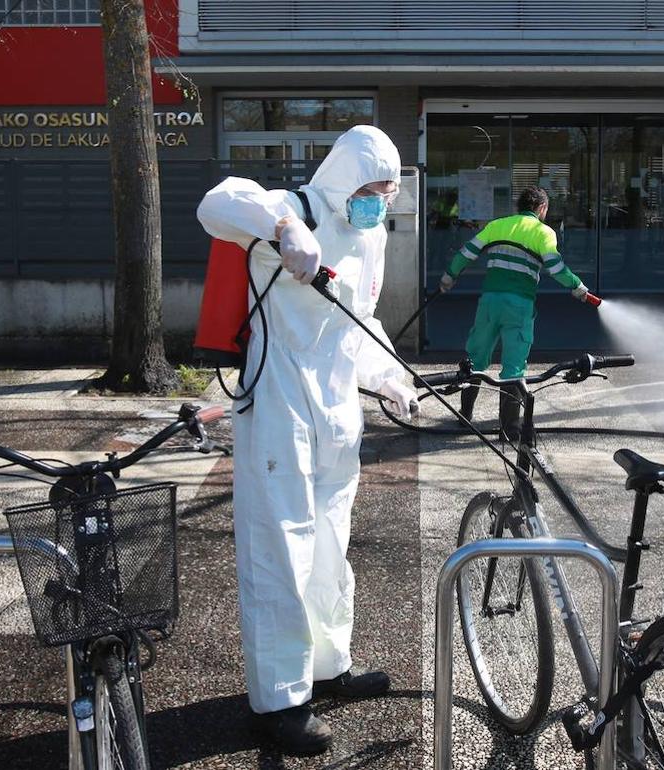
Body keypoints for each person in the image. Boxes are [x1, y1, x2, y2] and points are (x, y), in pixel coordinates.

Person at [196, 125, 418, 756]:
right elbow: (217, 201)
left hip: (337, 412)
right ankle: (279, 700)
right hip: (278, 407)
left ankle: (329, 666)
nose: (379, 199)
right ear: (345, 178)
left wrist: (393, 379)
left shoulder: (370, 236)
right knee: (280, 550)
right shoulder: (293, 209)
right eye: (372, 187)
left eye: (388, 191)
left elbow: (361, 322)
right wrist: (283, 229)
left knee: (329, 544)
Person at [438, 185, 590, 439]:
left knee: (475, 358)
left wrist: (448, 277)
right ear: (542, 208)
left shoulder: (498, 225)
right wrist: (577, 287)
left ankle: (465, 417)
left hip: (489, 302)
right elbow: (555, 266)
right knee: (513, 367)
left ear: (519, 207)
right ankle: (509, 430)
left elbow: (467, 252)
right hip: (519, 306)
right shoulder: (544, 232)